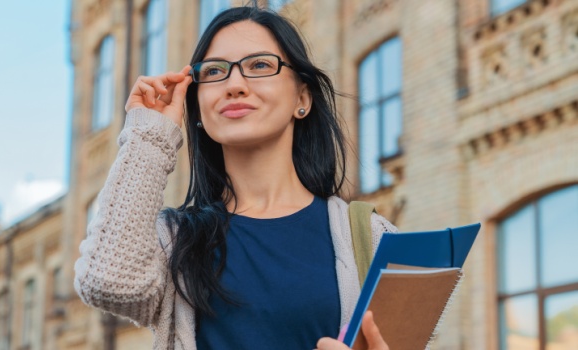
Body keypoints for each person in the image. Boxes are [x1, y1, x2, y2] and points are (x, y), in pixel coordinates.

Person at [75, 5, 396, 350]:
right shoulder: (176, 241)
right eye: (215, 72)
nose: (235, 84)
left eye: (259, 65)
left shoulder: (370, 238)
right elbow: (106, 282)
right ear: (198, 106)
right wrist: (149, 135)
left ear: (302, 98)